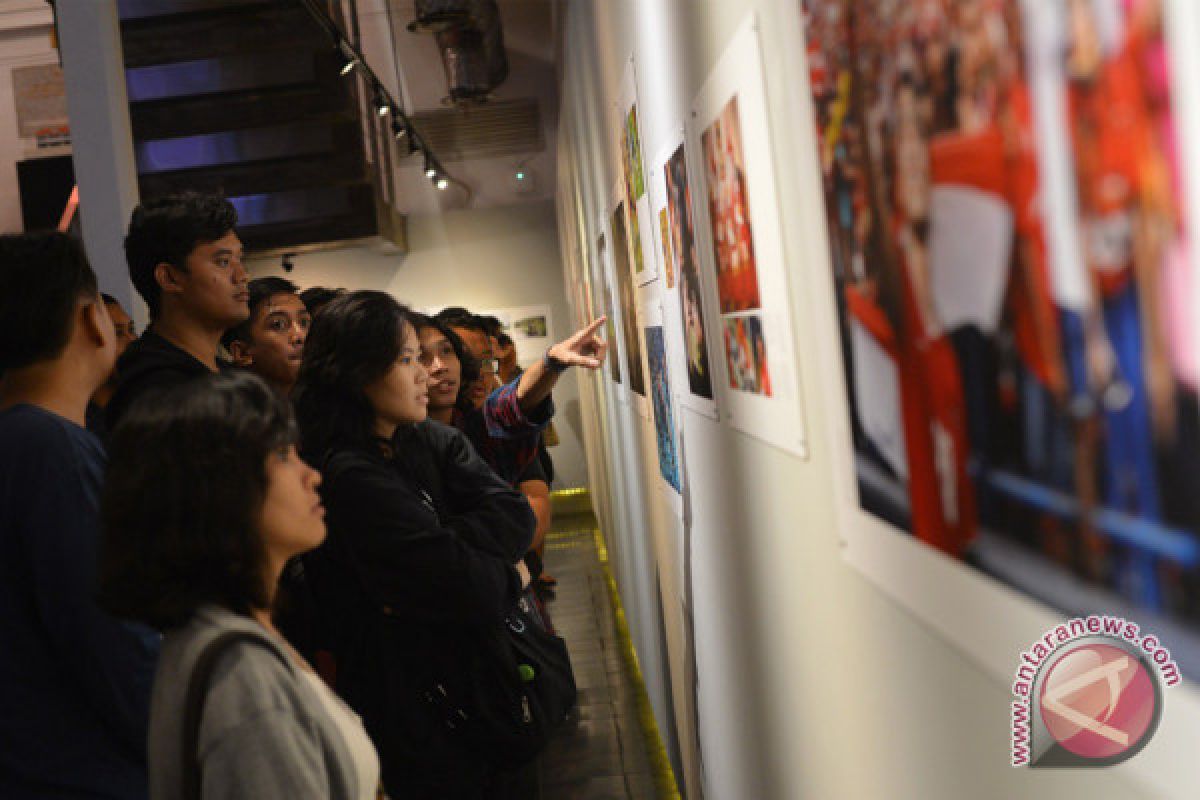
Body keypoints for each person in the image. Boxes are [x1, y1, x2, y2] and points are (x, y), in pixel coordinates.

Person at [292, 291, 536, 798]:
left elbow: (513, 514)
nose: (427, 373)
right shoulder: (350, 475)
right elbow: (464, 586)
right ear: (358, 372)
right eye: (407, 359)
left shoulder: (419, 441)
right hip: (418, 714)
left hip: (464, 695)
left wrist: (449, 542)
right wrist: (510, 573)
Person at [98, 371, 381, 800]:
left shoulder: (234, 631)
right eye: (284, 455)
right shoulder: (238, 670)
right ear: (221, 486)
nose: (312, 476)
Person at [0, 231, 159, 799]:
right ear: (91, 321)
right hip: (84, 774)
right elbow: (113, 639)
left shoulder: (29, 440)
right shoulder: (51, 449)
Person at [106, 192, 248, 430]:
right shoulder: (155, 392)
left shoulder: (228, 375)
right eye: (223, 262)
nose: (242, 276)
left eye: (240, 259)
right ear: (170, 278)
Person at [222, 276, 311, 396]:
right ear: (242, 353)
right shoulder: (226, 411)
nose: (300, 336)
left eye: (304, 322)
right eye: (278, 324)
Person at [87, 293, 138, 436]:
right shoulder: (82, 428)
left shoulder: (143, 414)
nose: (132, 340)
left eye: (132, 330)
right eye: (118, 333)